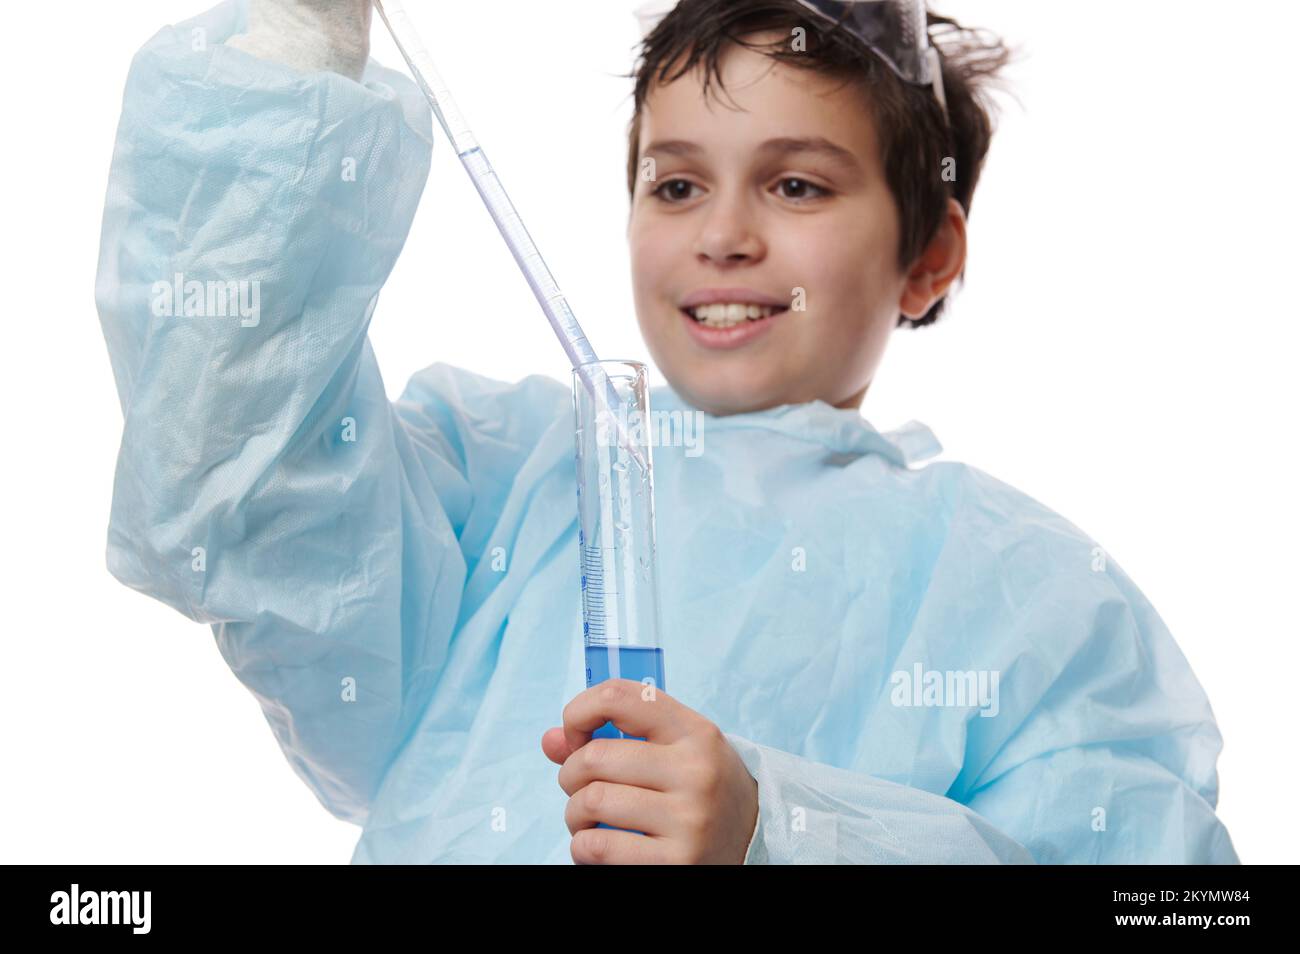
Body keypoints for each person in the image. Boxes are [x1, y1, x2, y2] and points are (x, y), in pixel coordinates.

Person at [95, 0, 1239, 864]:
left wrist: (778, 830)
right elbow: (227, 476)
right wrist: (300, 38)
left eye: (796, 187)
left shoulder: (1027, 595)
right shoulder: (497, 478)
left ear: (928, 254)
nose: (723, 237)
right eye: (676, 185)